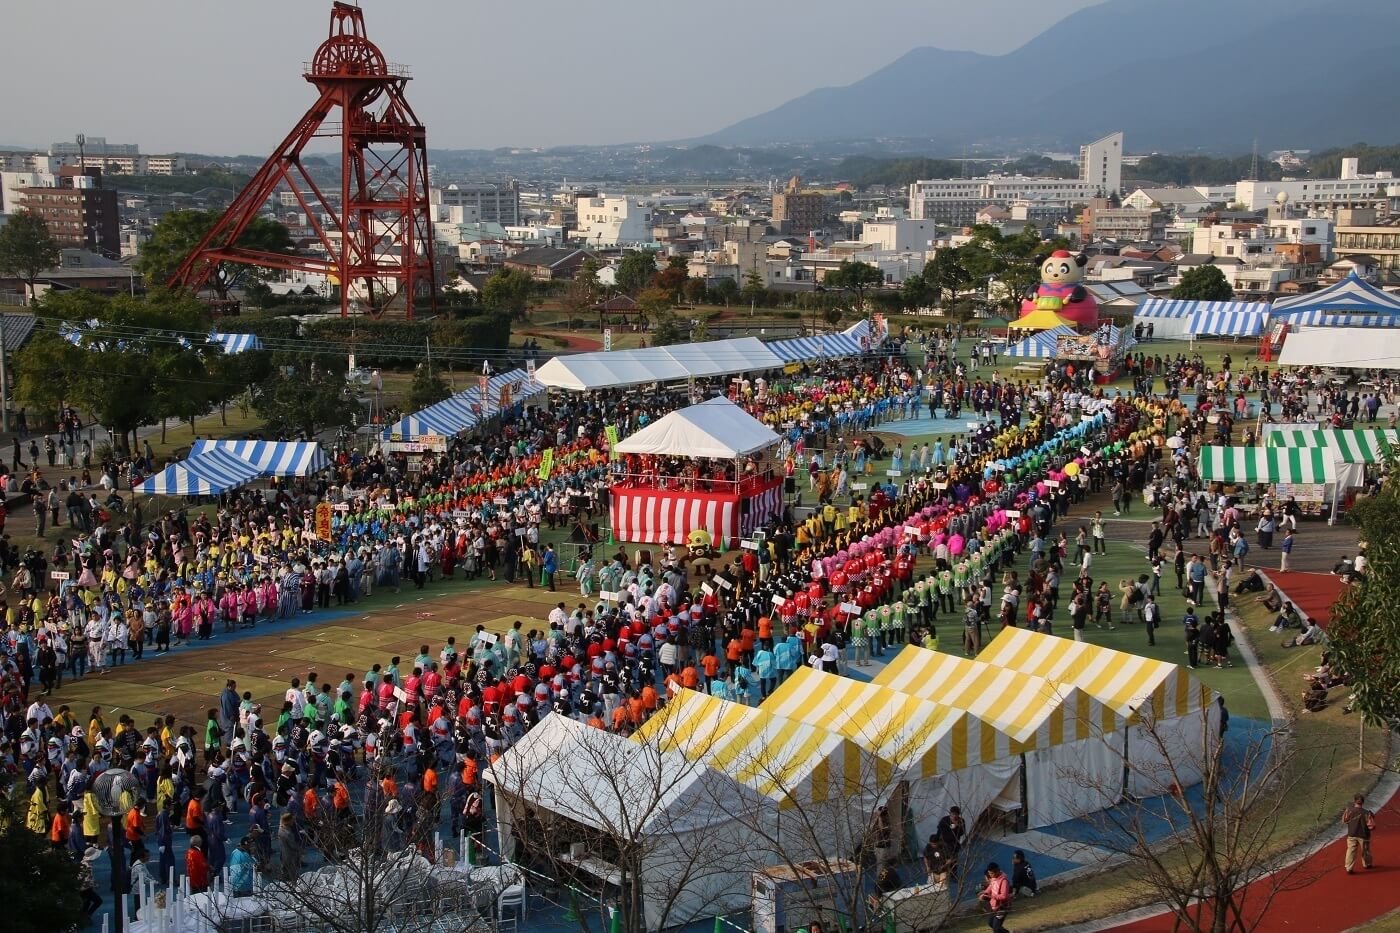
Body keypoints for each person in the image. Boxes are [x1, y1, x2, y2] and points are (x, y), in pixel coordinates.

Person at [1342, 793, 1375, 874]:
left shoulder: (1349, 811)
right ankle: (1367, 864)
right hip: (1363, 835)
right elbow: (1371, 826)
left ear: (1354, 801)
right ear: (1363, 802)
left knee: (1350, 851)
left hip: (1352, 834)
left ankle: (1349, 867)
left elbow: (1344, 821)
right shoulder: (1367, 813)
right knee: (1365, 850)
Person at [977, 862, 1013, 933]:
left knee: (996, 928)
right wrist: (984, 893)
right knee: (991, 923)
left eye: (991, 873)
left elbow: (1004, 896)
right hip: (994, 906)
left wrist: (991, 896)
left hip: (1002, 907)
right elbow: (991, 887)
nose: (989, 875)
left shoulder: (1004, 881)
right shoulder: (993, 878)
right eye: (989, 873)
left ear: (997, 871)